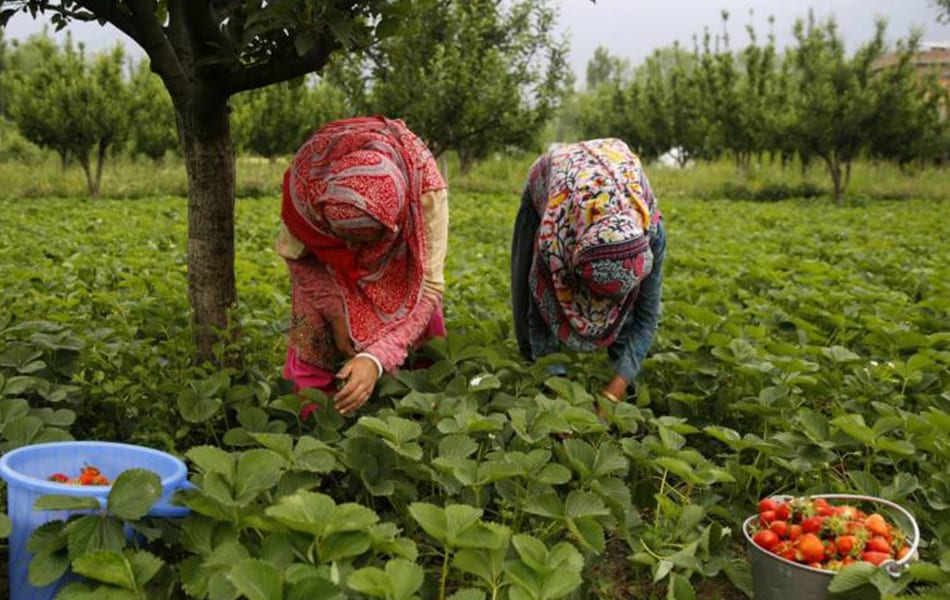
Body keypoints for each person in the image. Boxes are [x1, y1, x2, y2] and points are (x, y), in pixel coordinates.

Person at [277, 116, 448, 416]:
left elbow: (430, 286)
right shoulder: (305, 189)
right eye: (347, 239)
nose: (356, 252)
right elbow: (298, 259)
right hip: (323, 260)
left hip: (398, 261)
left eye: (366, 240)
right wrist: (336, 314)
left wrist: (376, 358)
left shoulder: (426, 192)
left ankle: (423, 408)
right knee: (309, 332)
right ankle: (311, 419)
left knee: (426, 326)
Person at [510, 138, 666, 404]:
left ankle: (623, 374)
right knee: (524, 288)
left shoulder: (650, 236)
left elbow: (646, 316)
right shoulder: (553, 239)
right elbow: (538, 313)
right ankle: (539, 371)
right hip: (556, 175)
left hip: (613, 175)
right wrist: (558, 396)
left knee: (626, 312)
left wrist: (612, 394)